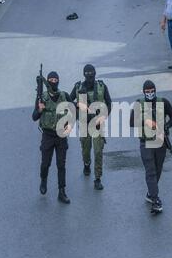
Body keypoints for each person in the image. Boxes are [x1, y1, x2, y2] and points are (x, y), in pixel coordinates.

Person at [130, 80, 172, 214]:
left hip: (160, 142)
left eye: (152, 91)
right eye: (147, 92)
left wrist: (165, 127)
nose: (150, 94)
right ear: (143, 92)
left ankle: (151, 193)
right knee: (150, 171)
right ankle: (156, 200)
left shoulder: (164, 102)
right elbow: (132, 122)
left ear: (155, 90)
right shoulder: (139, 104)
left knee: (158, 169)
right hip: (146, 142)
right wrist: (146, 120)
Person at [70, 64, 112, 190]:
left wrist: (103, 117)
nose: (90, 76)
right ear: (84, 74)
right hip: (84, 123)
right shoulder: (78, 87)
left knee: (98, 151)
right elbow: (67, 100)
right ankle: (86, 163)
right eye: (87, 74)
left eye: (91, 73)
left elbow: (109, 103)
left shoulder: (101, 86)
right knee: (86, 149)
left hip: (97, 123)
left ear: (95, 73)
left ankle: (97, 178)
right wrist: (77, 104)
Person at [32, 71, 72, 204]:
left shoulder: (64, 96)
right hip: (48, 135)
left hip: (61, 135)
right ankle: (43, 180)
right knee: (45, 164)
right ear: (47, 81)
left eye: (56, 80)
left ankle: (62, 191)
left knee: (61, 165)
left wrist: (70, 126)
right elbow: (34, 117)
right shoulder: (42, 97)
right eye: (51, 80)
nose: (53, 82)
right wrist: (40, 109)